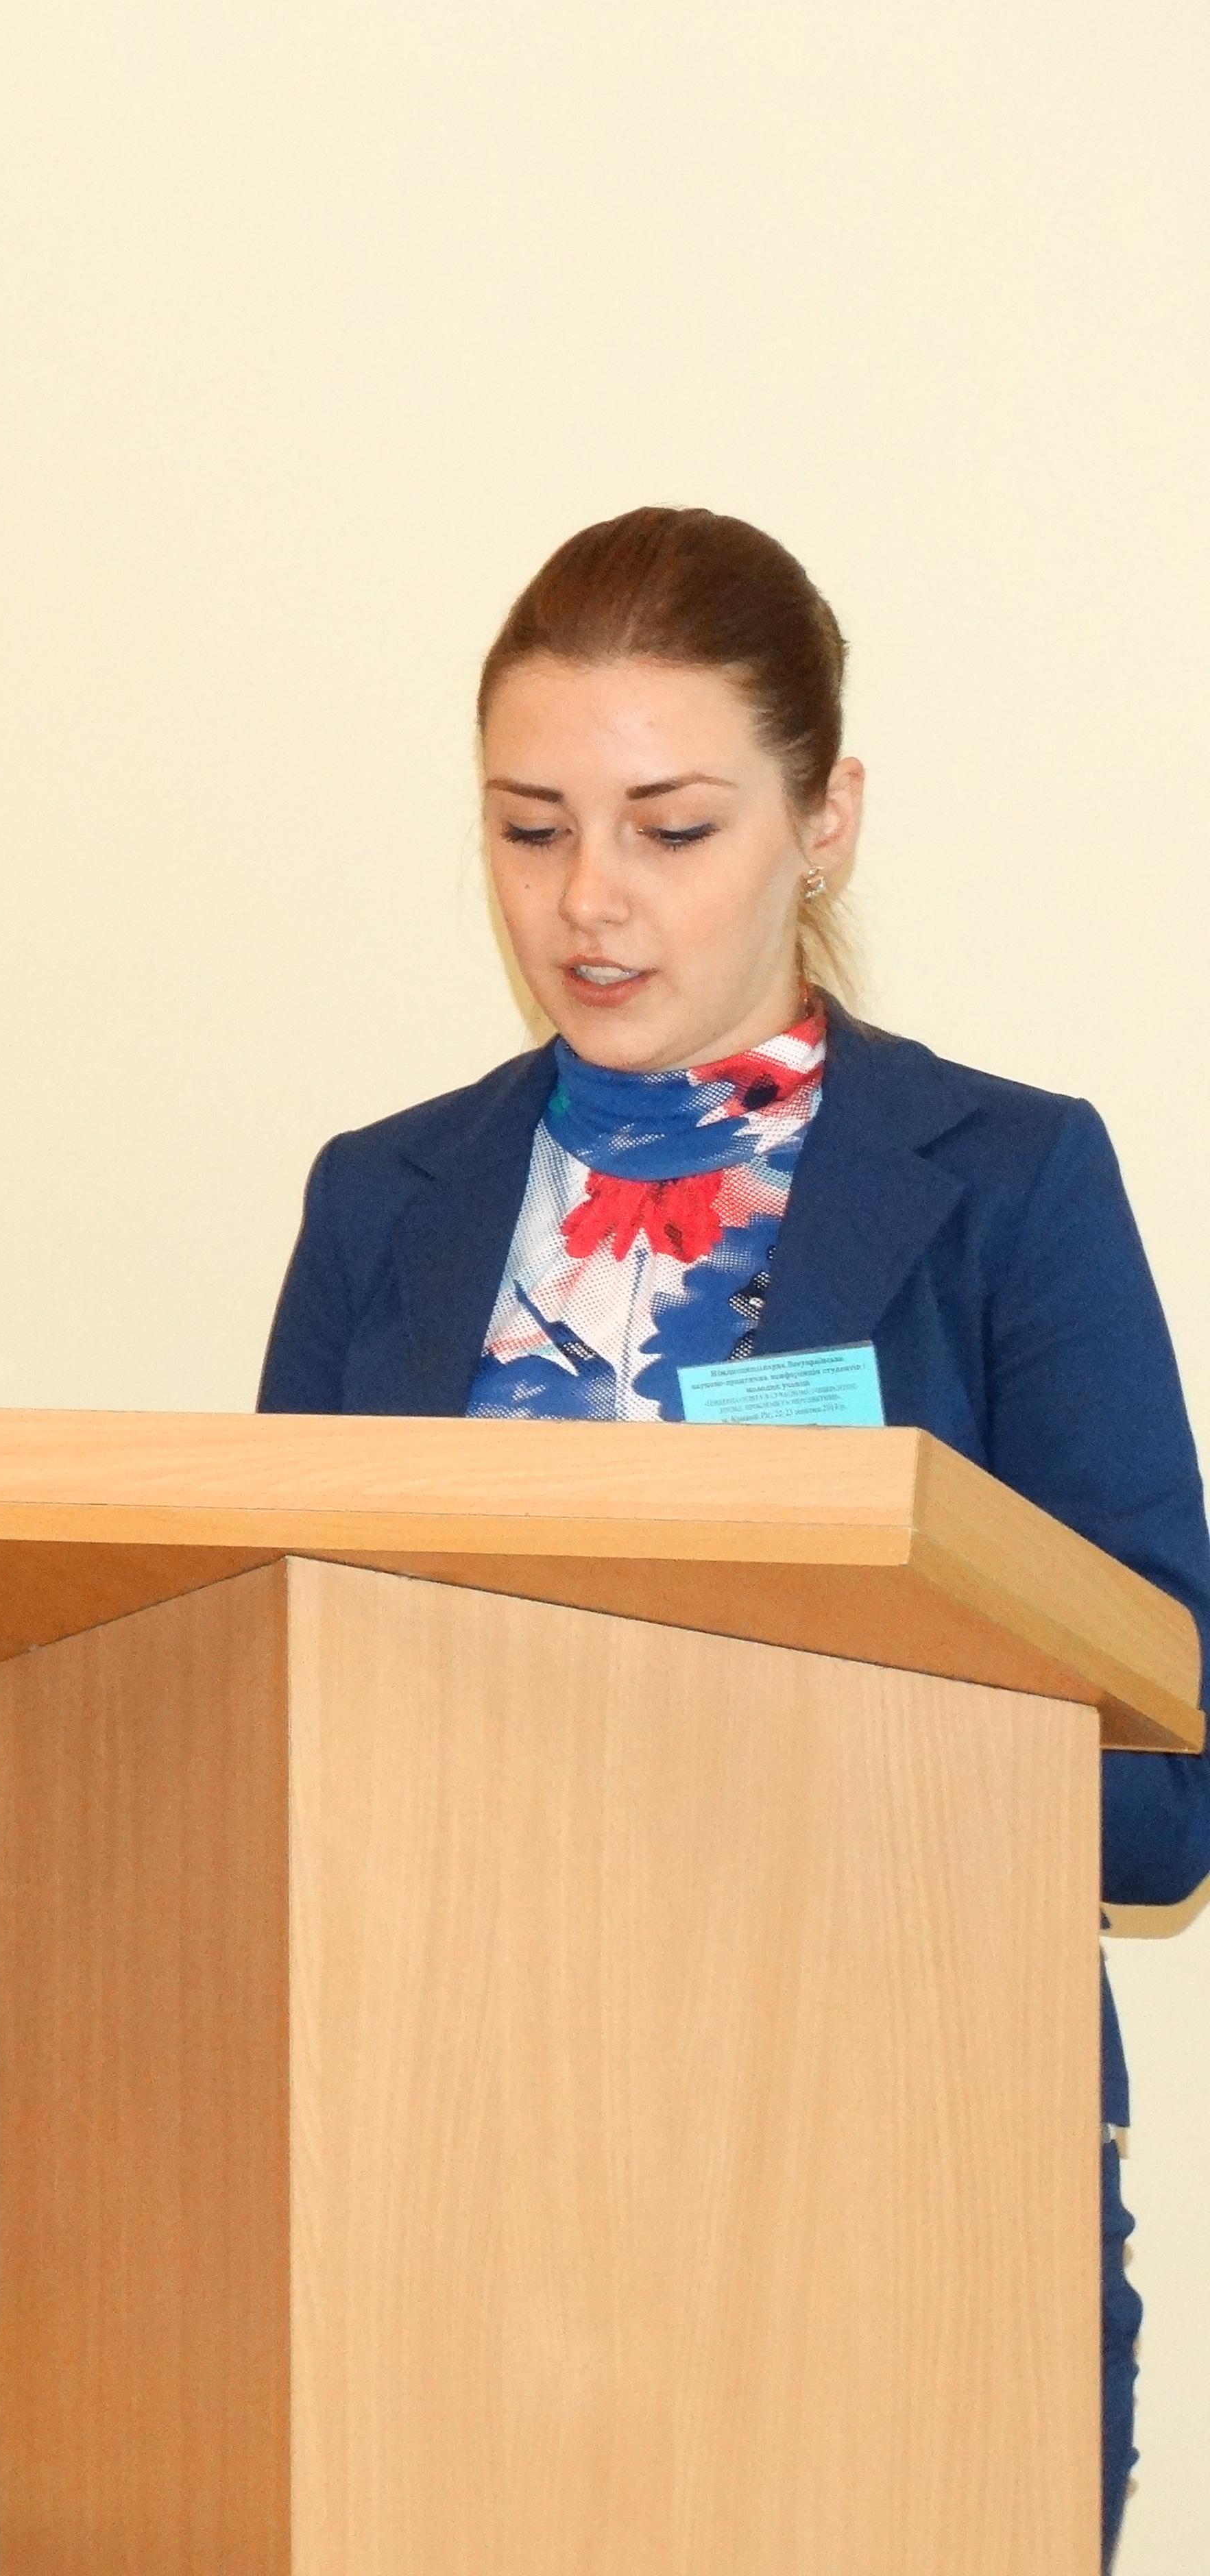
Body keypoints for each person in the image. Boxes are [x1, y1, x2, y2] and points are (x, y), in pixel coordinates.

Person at [258, 504, 1210, 2563]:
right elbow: (266, 1706)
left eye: (669, 829)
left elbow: (1164, 1792)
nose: (585, 899)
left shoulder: (1012, 1185)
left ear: (824, 818)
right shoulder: (380, 1202)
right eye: (527, 828)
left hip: (903, 2189)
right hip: (451, 2195)